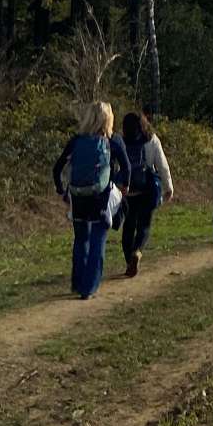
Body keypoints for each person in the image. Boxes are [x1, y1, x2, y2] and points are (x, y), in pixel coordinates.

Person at [53, 101, 129, 299]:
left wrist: (62, 190)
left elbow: (57, 167)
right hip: (99, 198)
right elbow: (126, 167)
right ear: (109, 120)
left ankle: (78, 283)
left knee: (81, 240)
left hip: (78, 196)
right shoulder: (113, 141)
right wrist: (124, 187)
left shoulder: (76, 141)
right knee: (97, 240)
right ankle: (89, 287)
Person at [117, 112, 174, 277]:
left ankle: (129, 261)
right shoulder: (152, 140)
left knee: (128, 227)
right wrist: (168, 187)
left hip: (128, 191)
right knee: (144, 226)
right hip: (148, 189)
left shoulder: (121, 141)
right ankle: (137, 251)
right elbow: (162, 165)